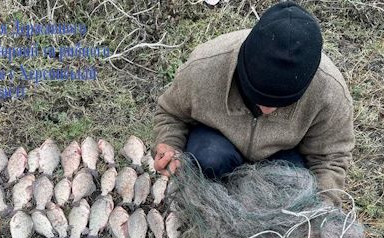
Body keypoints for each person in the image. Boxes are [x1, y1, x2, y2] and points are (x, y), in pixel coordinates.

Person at [152, 1, 354, 205]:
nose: (267, 110)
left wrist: (321, 207)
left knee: (294, 188)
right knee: (207, 158)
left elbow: (330, 159)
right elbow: (171, 113)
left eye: (281, 102)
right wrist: (170, 145)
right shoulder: (204, 67)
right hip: (217, 145)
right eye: (257, 95)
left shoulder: (329, 92)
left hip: (282, 159)